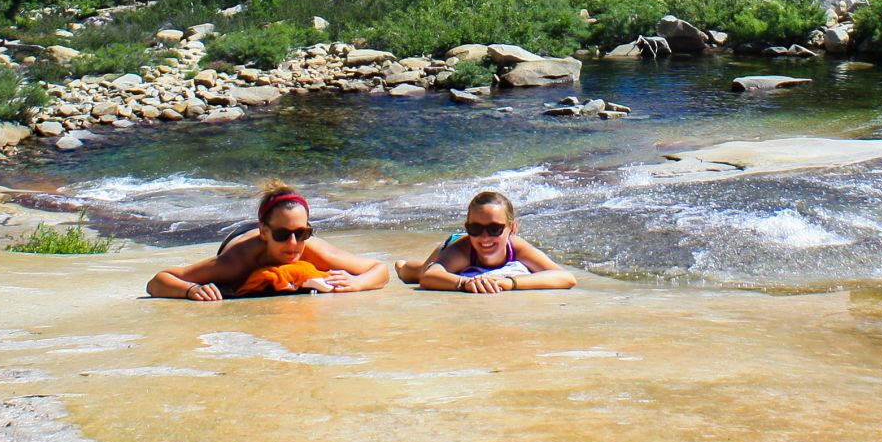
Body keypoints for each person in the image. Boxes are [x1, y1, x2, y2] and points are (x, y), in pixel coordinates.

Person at [146, 181, 391, 301]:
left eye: (302, 233)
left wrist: (358, 283)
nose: (293, 244)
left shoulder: (313, 249)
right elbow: (158, 281)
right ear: (265, 231)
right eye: (282, 235)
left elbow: (379, 270)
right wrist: (191, 289)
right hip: (242, 236)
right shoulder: (236, 261)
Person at [397, 189, 576, 294]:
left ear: (512, 228)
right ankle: (403, 266)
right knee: (418, 271)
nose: (484, 237)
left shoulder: (517, 247)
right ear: (467, 227)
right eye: (475, 229)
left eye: (494, 229)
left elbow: (565, 277)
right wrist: (463, 283)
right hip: (451, 246)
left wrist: (511, 282)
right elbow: (428, 277)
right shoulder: (463, 250)